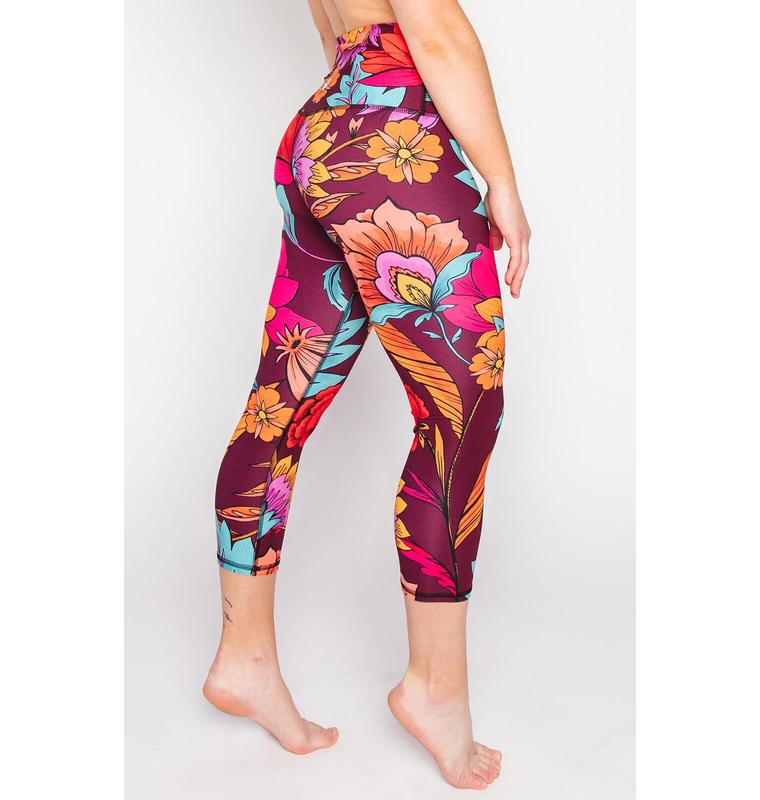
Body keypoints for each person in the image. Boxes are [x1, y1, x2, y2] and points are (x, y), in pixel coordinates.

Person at [203, 0, 531, 790]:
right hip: (395, 138)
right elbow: (436, 30)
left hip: (325, 130)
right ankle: (435, 689)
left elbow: (335, 29)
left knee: (280, 405)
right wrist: (502, 181)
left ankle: (245, 659)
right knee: (460, 416)